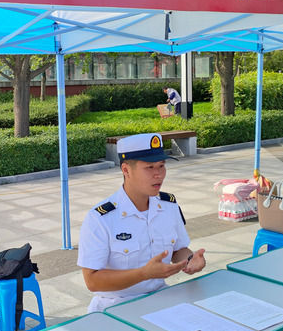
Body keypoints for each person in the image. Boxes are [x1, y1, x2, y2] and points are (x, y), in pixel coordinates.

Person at [77, 133, 206, 312]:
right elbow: (92, 281)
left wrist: (190, 259)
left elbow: (178, 249)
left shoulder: (168, 206)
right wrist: (144, 274)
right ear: (126, 170)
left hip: (160, 298)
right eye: (149, 167)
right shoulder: (101, 218)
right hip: (115, 306)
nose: (158, 174)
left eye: (161, 166)